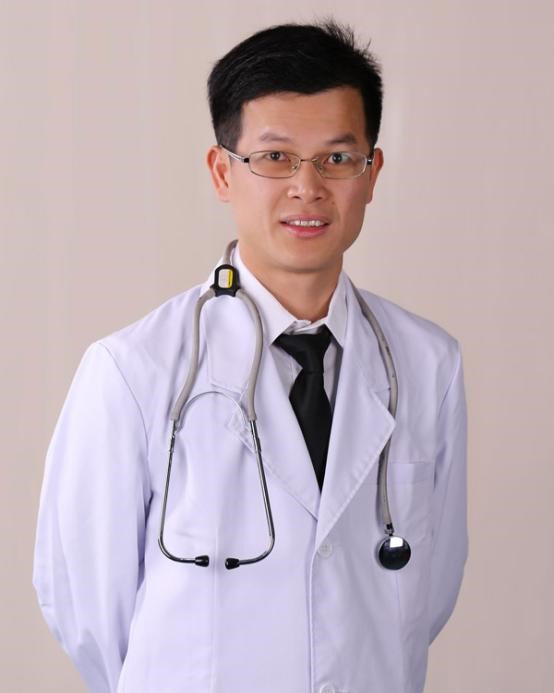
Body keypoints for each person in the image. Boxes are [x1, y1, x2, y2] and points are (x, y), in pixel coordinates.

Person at [33, 20, 468, 693]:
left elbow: (427, 590)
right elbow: (86, 608)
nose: (307, 187)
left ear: (372, 173)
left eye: (337, 158)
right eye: (274, 157)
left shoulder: (427, 363)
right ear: (222, 172)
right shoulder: (133, 370)